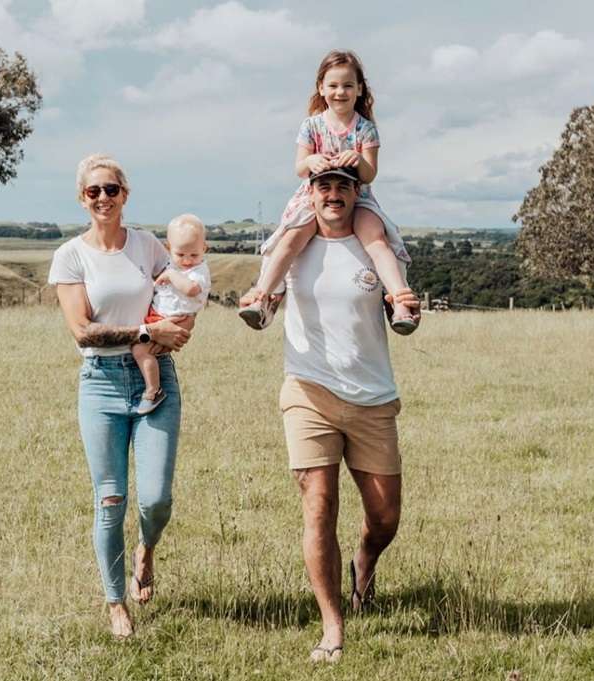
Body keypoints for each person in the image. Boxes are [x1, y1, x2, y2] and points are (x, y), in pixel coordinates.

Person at [239, 165, 420, 664]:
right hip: (308, 392)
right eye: (325, 186)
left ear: (357, 193)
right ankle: (332, 627)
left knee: (384, 518)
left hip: (372, 397)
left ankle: (365, 560)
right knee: (318, 507)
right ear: (311, 194)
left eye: (343, 186)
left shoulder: (375, 243)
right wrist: (257, 300)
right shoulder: (293, 247)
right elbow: (266, 300)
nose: (334, 194)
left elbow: (399, 305)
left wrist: (406, 305)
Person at [48, 153, 192, 639]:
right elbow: (83, 331)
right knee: (110, 499)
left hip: (157, 383)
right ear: (81, 199)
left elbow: (180, 293)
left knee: (155, 499)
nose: (103, 198)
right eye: (94, 192)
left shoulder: (149, 247)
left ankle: (146, 551)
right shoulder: (70, 256)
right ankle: (115, 603)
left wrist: (181, 325)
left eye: (111, 189)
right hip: (101, 384)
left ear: (125, 195)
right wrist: (145, 333)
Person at [239, 49, 416, 334]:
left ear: (359, 89)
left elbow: (371, 174)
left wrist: (358, 160)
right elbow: (299, 167)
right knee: (290, 238)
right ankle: (263, 296)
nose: (340, 92)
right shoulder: (311, 126)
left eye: (347, 85)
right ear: (321, 88)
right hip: (315, 195)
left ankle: (399, 300)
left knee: (378, 239)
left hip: (357, 196)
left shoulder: (366, 130)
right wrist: (311, 160)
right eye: (333, 85)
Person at [132, 213, 210, 414]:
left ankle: (153, 390)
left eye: (194, 255)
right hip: (158, 316)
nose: (187, 261)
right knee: (145, 348)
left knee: (140, 350)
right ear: (168, 249)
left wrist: (170, 274)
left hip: (172, 320)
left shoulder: (198, 271)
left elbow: (191, 289)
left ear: (204, 249)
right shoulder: (172, 266)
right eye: (181, 255)